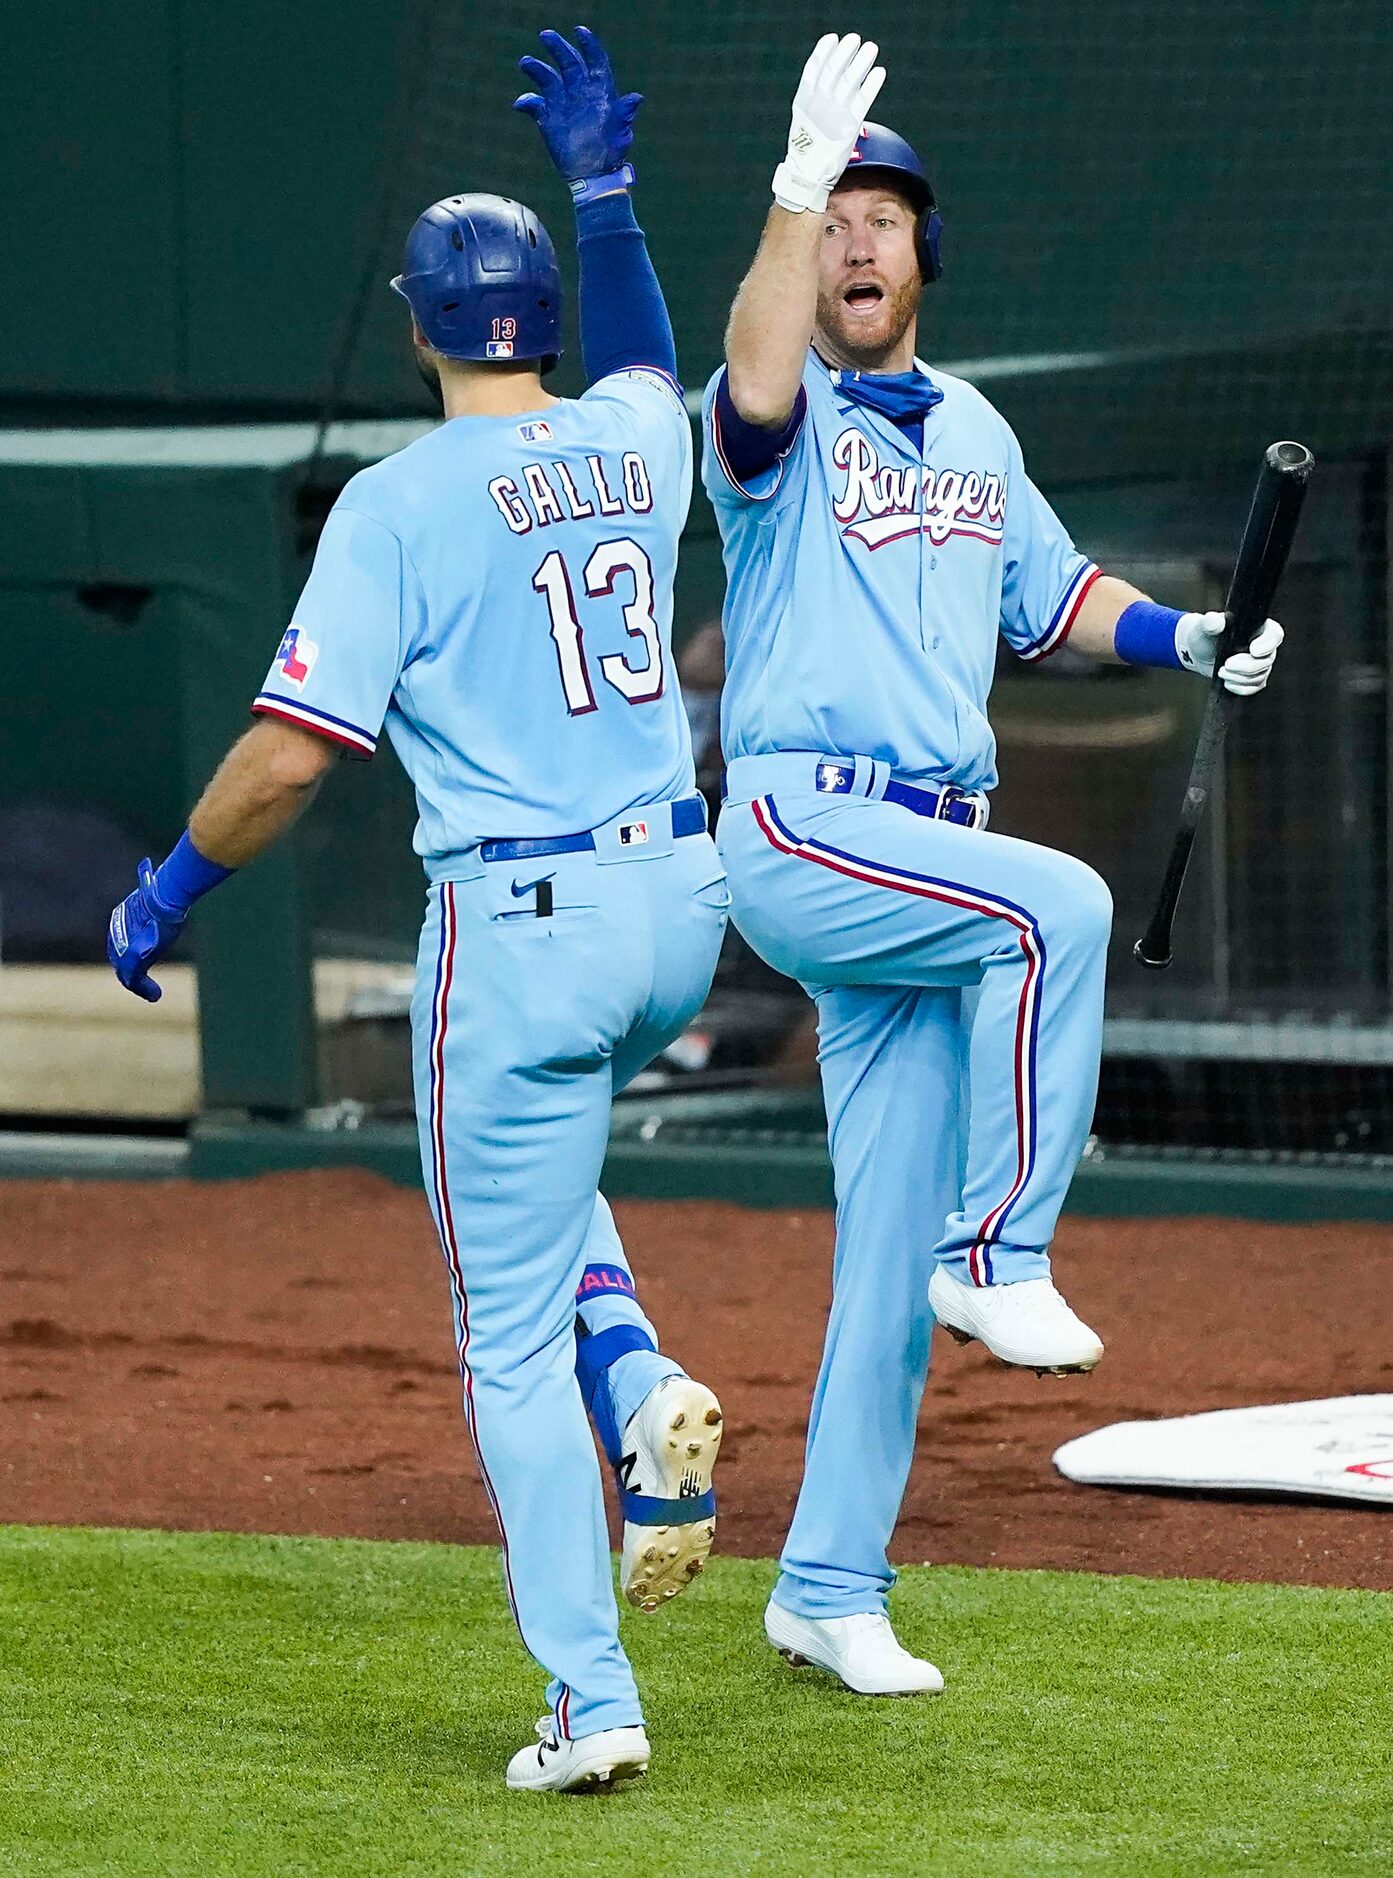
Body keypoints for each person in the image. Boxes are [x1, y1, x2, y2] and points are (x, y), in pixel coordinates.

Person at [108, 27, 728, 1795]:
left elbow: (289, 759)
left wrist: (170, 885)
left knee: (499, 1321)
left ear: (419, 326)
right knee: (555, 1197)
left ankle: (589, 1699)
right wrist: (605, 195)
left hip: (523, 933)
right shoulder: (630, 438)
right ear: (540, 317)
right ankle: (643, 1387)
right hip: (675, 906)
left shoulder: (393, 503)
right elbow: (652, 362)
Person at [701, 31, 1282, 1696]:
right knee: (1064, 903)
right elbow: (744, 360)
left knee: (881, 1263)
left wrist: (1189, 636)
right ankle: (1003, 1252)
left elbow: (1053, 599)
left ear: (924, 251)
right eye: (839, 220)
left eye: (882, 216)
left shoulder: (970, 428)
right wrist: (784, 192)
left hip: (920, 866)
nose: (859, 241)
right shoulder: (775, 413)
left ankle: (824, 1583)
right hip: (809, 822)